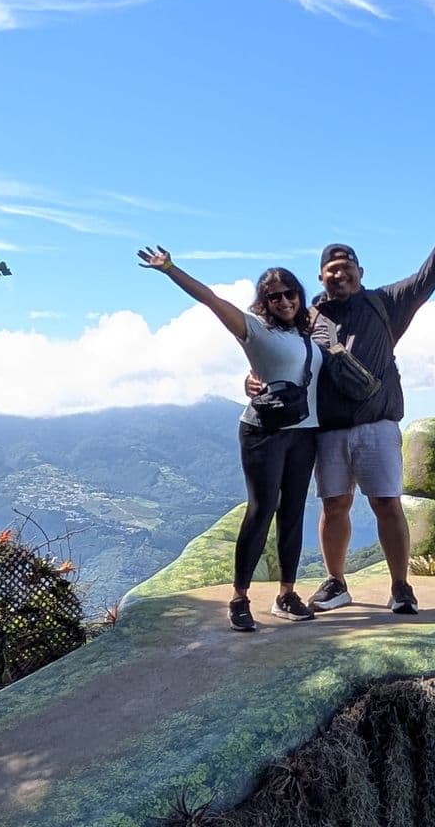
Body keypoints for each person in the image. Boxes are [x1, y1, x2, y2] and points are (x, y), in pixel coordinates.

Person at [248, 186, 435, 614]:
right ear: (320, 277)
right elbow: (273, 350)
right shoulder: (306, 317)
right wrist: (253, 379)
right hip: (329, 429)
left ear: (361, 271)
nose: (340, 274)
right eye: (332, 269)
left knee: (386, 503)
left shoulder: (386, 304)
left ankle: (401, 587)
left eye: (347, 267)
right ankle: (336, 583)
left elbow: (430, 275)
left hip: (377, 425)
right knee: (334, 505)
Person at [138, 249, 322, 632]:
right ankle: (239, 597)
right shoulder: (253, 328)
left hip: (305, 432)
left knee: (293, 512)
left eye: (291, 293)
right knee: (262, 508)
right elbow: (210, 300)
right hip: (264, 432)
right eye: (276, 296)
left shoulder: (306, 333)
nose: (285, 301)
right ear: (264, 301)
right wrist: (172, 269)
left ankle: (287, 594)